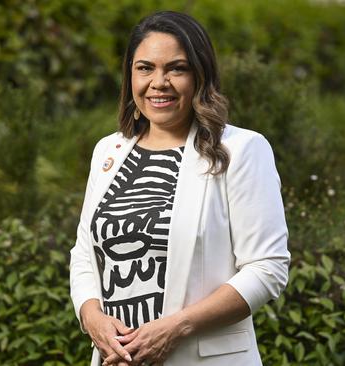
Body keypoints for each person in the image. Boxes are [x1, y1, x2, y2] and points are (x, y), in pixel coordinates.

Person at [69, 11, 290, 366]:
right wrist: (92, 318)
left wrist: (177, 327)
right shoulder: (108, 150)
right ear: (130, 75)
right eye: (145, 68)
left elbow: (267, 267)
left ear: (200, 75)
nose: (159, 82)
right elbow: (84, 254)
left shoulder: (241, 150)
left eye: (177, 68)